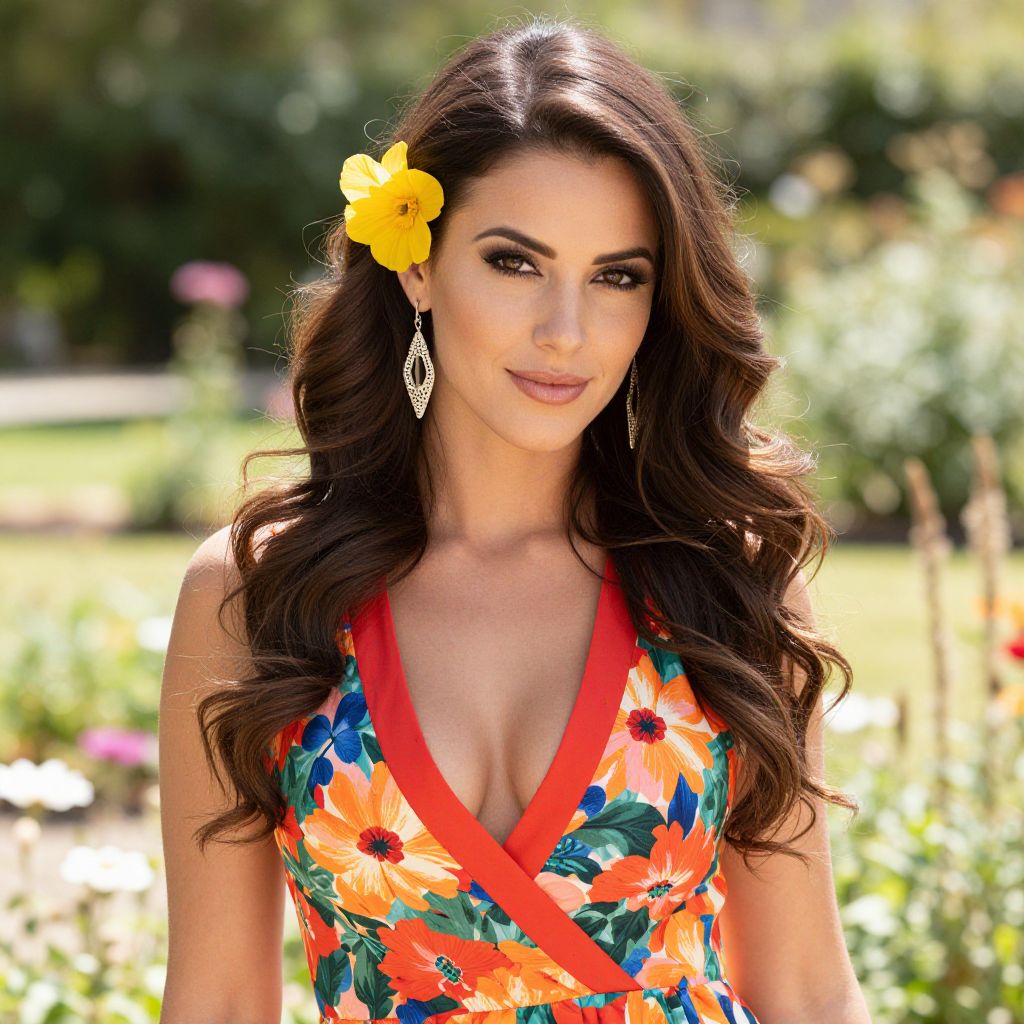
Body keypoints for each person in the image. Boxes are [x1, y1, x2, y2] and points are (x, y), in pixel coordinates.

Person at [157, 16, 873, 1024]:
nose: (565, 331)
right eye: (515, 262)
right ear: (416, 265)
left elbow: (805, 988)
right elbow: (220, 1002)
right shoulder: (258, 596)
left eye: (617, 277)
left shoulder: (724, 581)